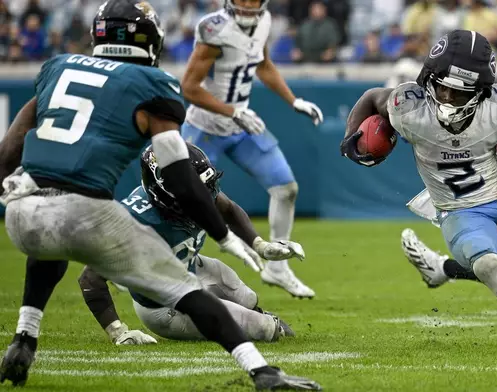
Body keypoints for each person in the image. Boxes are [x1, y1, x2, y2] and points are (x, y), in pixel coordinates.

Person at [0, 1, 320, 389]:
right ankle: (263, 373)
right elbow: (181, 178)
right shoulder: (154, 86)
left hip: (23, 208)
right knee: (188, 293)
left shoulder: (57, 66)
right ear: (150, 40)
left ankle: (25, 337)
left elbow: (9, 148)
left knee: (49, 236)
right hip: (88, 210)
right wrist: (223, 237)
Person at [340, 29, 497, 357]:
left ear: (480, 91)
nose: (446, 97)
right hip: (459, 210)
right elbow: (373, 97)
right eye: (441, 86)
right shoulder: (408, 107)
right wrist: (350, 136)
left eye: (458, 92)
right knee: (489, 267)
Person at [79, 144, 301, 345]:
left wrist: (260, 245)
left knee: (246, 297)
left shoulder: (194, 192)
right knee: (264, 328)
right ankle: (265, 324)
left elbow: (229, 209)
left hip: (188, 266)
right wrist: (117, 332)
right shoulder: (135, 223)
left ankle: (260, 316)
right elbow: (90, 278)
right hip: (164, 307)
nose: (204, 199)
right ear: (163, 194)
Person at [181, 0, 324, 299]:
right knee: (182, 201)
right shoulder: (214, 28)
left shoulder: (265, 20)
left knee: (286, 189)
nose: (248, 4)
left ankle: (278, 269)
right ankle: (153, 261)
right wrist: (232, 111)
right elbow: (190, 88)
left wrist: (293, 100)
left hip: (241, 127)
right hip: (204, 129)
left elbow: (263, 65)